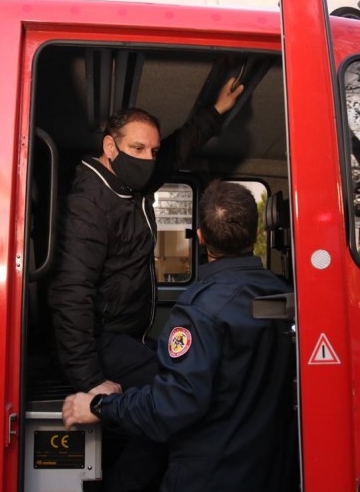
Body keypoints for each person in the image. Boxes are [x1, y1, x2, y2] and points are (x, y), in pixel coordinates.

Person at [62, 180, 296, 492]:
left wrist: (99, 407)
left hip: (210, 476)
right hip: (270, 471)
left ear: (200, 237)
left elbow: (170, 407)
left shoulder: (200, 310)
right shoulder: (288, 297)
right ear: (256, 235)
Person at [47, 77, 244, 397]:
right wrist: (90, 380)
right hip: (97, 342)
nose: (148, 159)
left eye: (152, 151)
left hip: (126, 336)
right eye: (137, 148)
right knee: (179, 391)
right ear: (110, 147)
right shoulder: (89, 205)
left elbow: (179, 149)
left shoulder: (130, 184)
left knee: (190, 368)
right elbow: (71, 294)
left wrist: (218, 110)